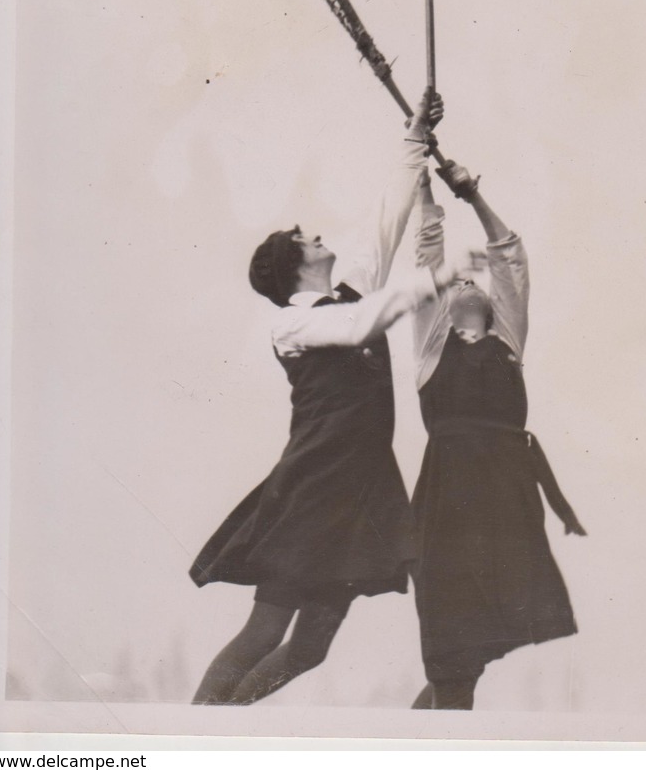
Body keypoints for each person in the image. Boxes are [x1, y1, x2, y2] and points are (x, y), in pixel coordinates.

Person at [189, 89, 458, 706]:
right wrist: (433, 277)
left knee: (311, 649)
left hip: (361, 482)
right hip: (314, 483)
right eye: (306, 239)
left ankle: (232, 722)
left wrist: (415, 138)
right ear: (294, 267)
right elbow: (361, 326)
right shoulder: (294, 324)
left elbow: (388, 220)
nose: (318, 237)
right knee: (264, 630)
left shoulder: (348, 292)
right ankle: (202, 734)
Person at [409, 159, 587, 711]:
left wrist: (471, 197)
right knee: (452, 646)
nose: (467, 282)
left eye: (474, 281)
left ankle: (430, 735)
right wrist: (422, 185)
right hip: (448, 498)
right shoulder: (430, 348)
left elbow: (509, 255)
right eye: (457, 282)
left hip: (506, 496)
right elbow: (426, 258)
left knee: (472, 649)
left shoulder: (508, 343)